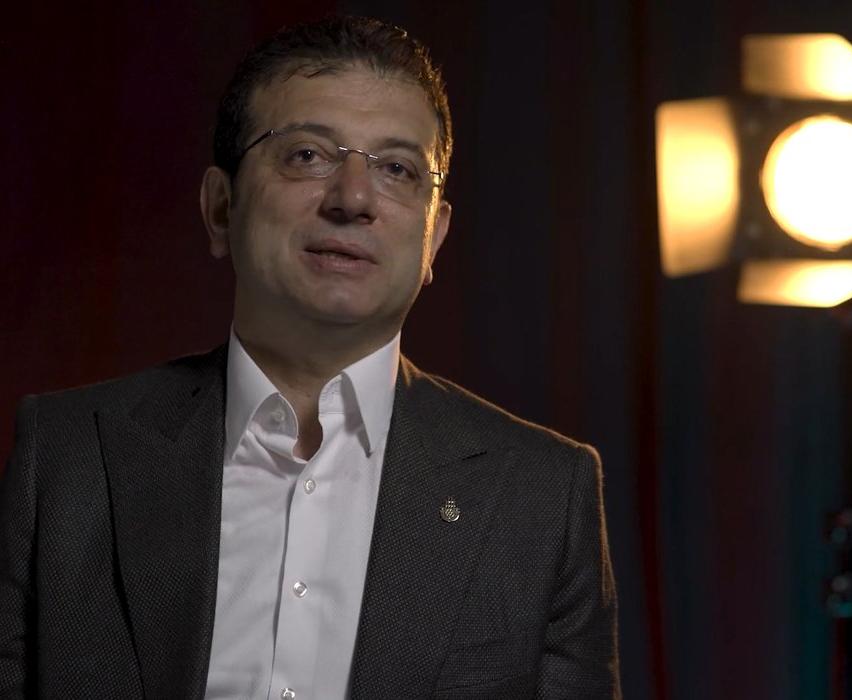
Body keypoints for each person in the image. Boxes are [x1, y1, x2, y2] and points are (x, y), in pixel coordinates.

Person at [0, 15, 620, 700]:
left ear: (434, 238)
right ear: (221, 208)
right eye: (306, 155)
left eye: (397, 169)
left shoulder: (542, 496)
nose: (353, 198)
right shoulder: (69, 457)